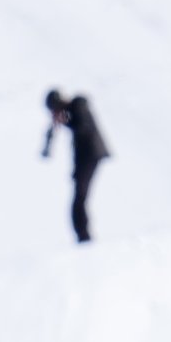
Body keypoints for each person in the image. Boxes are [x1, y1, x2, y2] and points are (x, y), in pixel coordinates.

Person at [42, 90, 110, 243]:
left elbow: (83, 127)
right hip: (85, 159)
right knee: (79, 200)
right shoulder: (73, 111)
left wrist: (65, 121)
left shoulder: (78, 105)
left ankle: (84, 238)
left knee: (79, 200)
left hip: (91, 155)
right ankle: (83, 237)